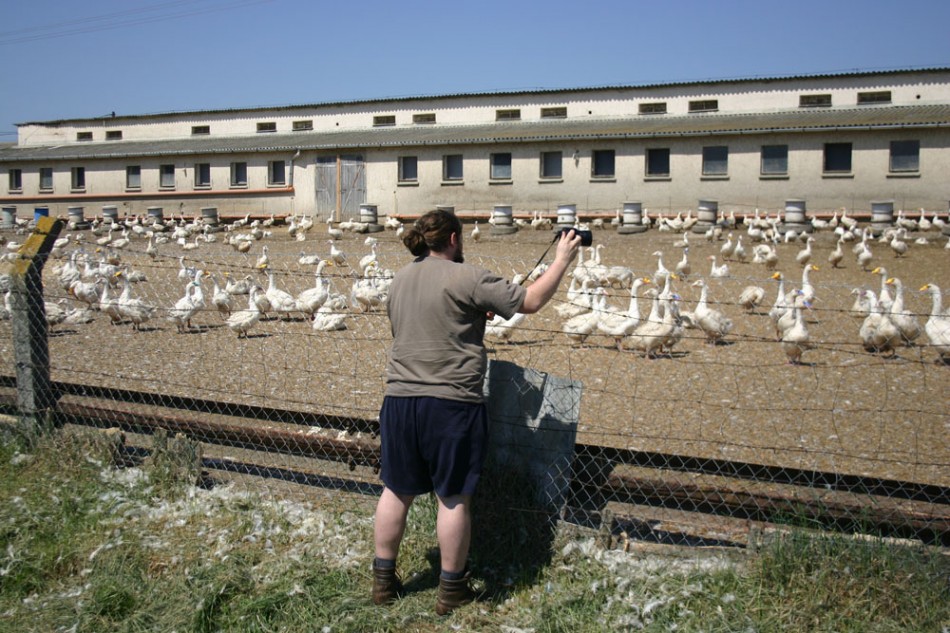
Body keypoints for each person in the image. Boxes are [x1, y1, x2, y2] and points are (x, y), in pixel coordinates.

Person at [372, 209, 581, 615]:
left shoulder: (400, 279)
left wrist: (470, 313)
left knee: (396, 489)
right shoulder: (468, 277)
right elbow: (532, 300)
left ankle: (383, 580)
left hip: (398, 402)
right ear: (453, 238)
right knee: (453, 497)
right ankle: (452, 589)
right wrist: (562, 259)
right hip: (450, 405)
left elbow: (422, 325)